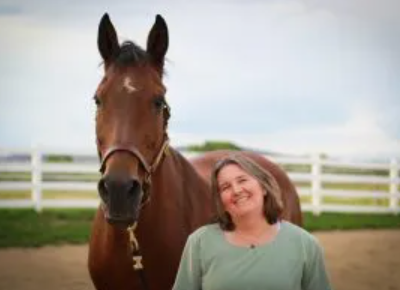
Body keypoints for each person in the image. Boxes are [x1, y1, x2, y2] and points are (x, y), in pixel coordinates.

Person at [172, 154, 333, 290]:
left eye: (242, 180)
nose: (236, 190)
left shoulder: (305, 244)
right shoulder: (199, 243)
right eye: (226, 187)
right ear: (220, 200)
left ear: (263, 187)